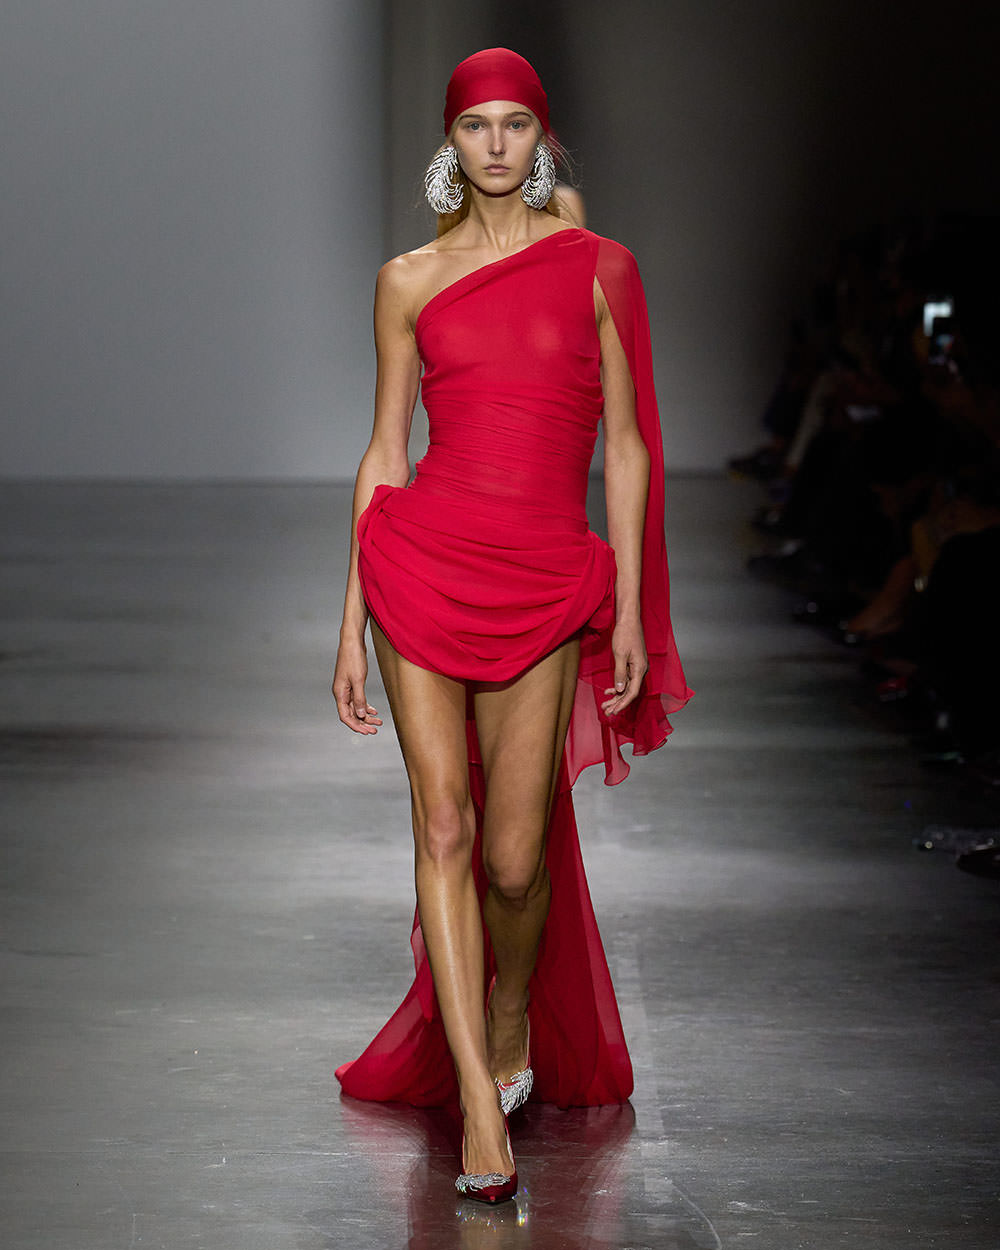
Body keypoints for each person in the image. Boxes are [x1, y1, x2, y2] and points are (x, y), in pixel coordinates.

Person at [332, 48, 691, 1205]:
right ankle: (482, 1110)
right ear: (451, 142)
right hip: (420, 565)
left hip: (541, 578)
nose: (495, 144)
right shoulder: (405, 280)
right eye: (475, 125)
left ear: (543, 139)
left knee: (513, 858)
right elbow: (384, 451)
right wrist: (349, 618)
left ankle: (504, 1010)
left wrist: (627, 605)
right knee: (442, 823)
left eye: (515, 125)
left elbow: (626, 447)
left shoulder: (600, 269)